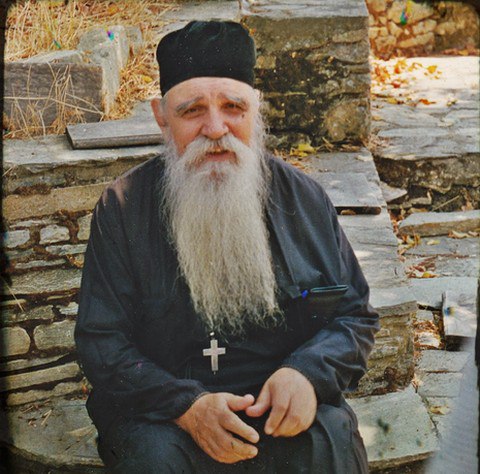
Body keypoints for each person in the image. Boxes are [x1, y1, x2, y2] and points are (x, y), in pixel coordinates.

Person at [75, 20, 379, 473]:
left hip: (277, 414)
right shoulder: (122, 208)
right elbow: (102, 342)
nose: (216, 129)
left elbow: (353, 316)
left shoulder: (304, 199)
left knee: (331, 437)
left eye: (233, 107)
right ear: (161, 117)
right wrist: (187, 406)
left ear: (256, 109)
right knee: (150, 459)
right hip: (165, 418)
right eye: (192, 110)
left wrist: (307, 374)